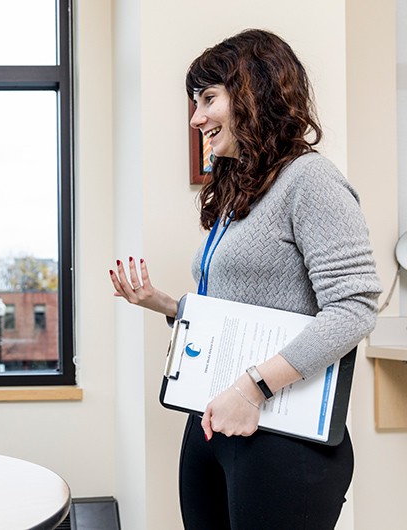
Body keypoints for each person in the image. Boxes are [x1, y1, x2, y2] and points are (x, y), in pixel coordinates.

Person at [109, 29, 381, 529]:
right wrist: (167, 304)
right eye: (195, 102)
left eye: (208, 99)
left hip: (279, 437)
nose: (196, 118)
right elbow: (248, 308)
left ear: (254, 92)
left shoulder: (310, 180)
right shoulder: (241, 192)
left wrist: (253, 389)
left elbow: (355, 307)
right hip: (215, 422)